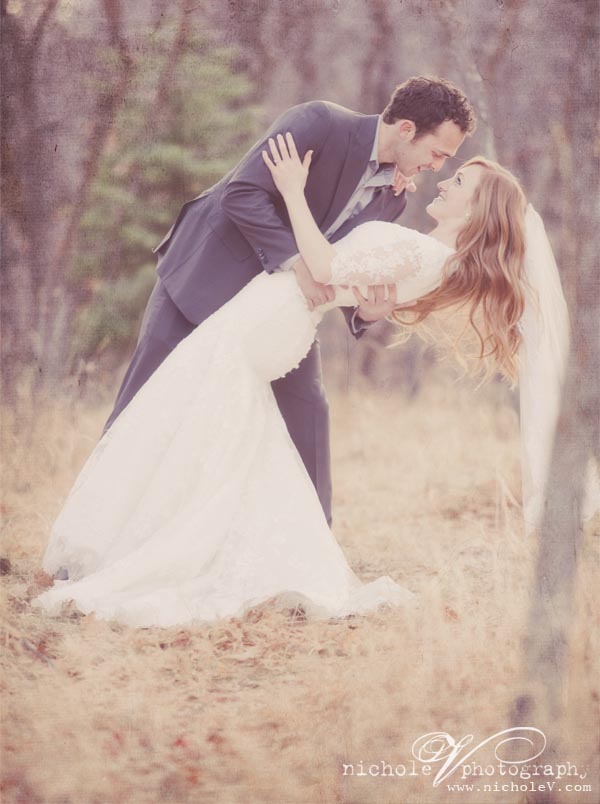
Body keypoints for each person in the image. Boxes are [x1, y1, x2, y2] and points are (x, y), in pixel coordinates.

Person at [33, 132, 568, 628]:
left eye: (460, 181)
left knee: (191, 426)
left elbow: (326, 267)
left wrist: (292, 191)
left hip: (268, 322)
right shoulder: (431, 256)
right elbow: (358, 283)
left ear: (477, 209)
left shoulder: (424, 253)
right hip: (277, 324)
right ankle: (168, 545)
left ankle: (151, 551)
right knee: (216, 438)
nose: (445, 181)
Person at [101, 76, 475, 533]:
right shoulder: (320, 123)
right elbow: (242, 193)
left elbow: (347, 263)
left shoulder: (392, 196)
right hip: (204, 278)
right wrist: (297, 262)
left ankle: (315, 544)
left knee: (308, 413)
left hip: (281, 312)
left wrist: (363, 313)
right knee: (143, 400)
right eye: (437, 153)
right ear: (407, 129)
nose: (436, 167)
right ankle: (95, 530)